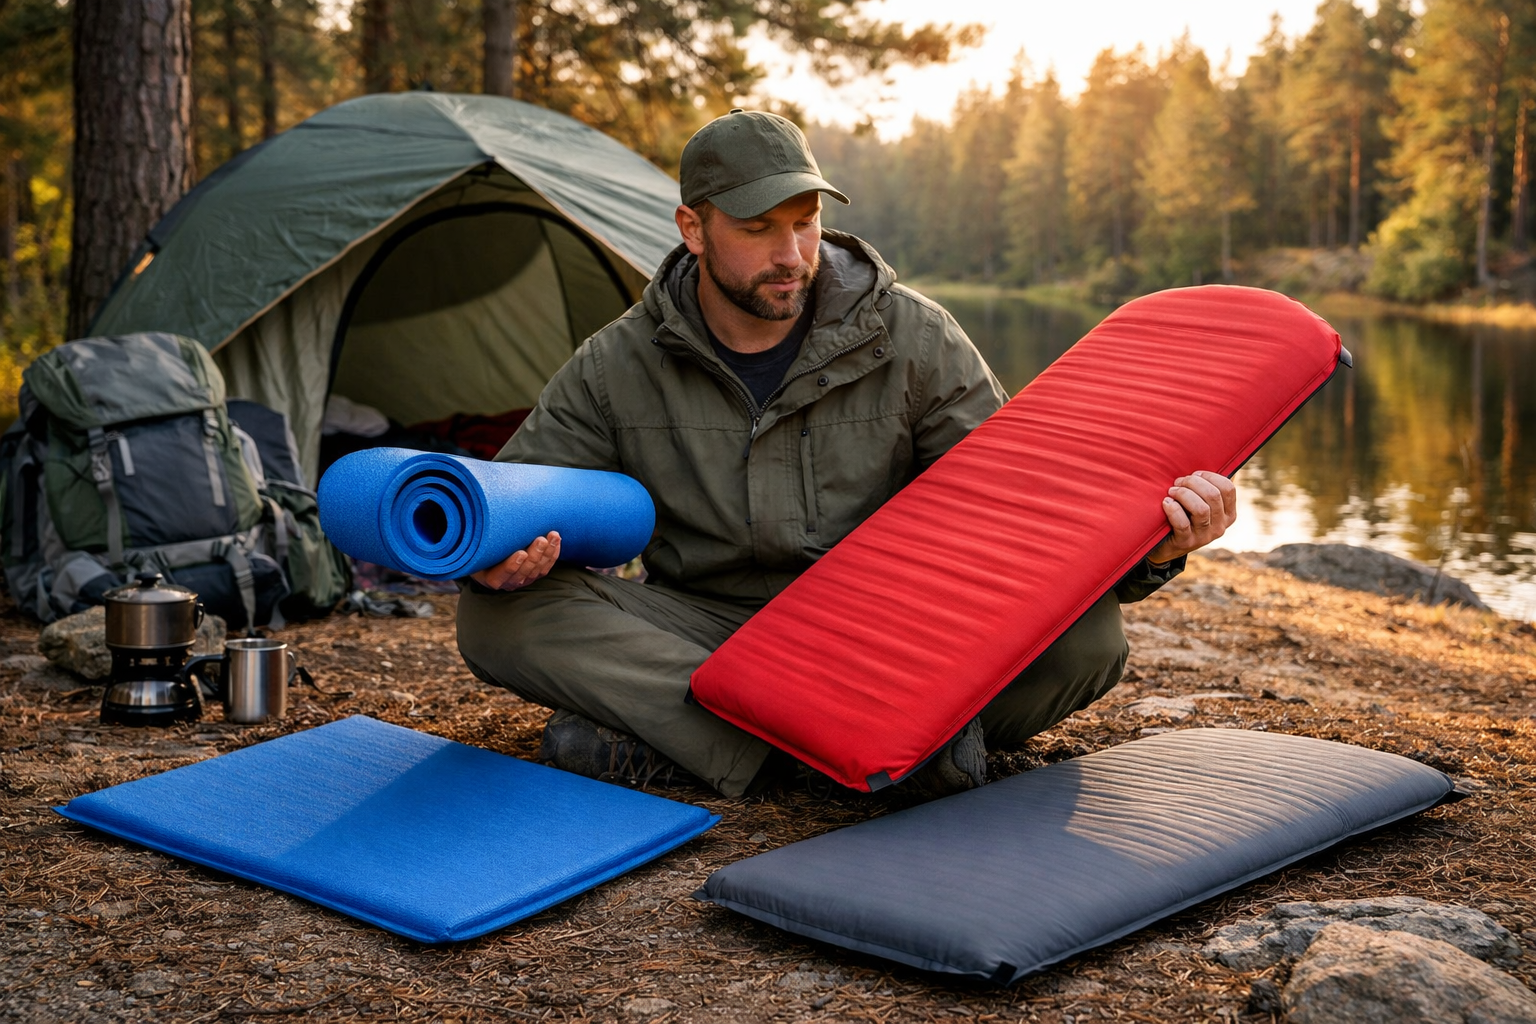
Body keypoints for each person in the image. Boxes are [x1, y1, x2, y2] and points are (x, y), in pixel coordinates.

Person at [455, 109, 1236, 799]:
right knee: (496, 617)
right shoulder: (613, 362)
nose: (791, 252)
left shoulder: (916, 335)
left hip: (883, 633)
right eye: (759, 229)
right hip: (706, 631)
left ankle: (726, 741)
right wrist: (497, 552)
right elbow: (515, 492)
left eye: (803, 223)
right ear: (693, 229)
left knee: (1087, 640)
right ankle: (837, 750)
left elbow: (1022, 511)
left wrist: (1153, 551)